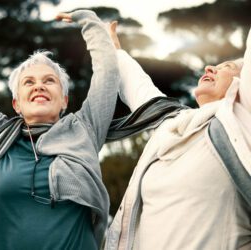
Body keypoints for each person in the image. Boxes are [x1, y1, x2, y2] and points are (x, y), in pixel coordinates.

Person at [0, 0, 120, 249]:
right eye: (29, 82)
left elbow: (108, 76)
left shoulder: (84, 130)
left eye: (49, 81)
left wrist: (90, 24)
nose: (39, 86)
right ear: (16, 104)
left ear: (64, 101)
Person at [104, 22, 251, 249]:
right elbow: (136, 84)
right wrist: (111, 47)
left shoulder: (243, 123)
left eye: (227, 66)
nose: (210, 68)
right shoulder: (171, 121)